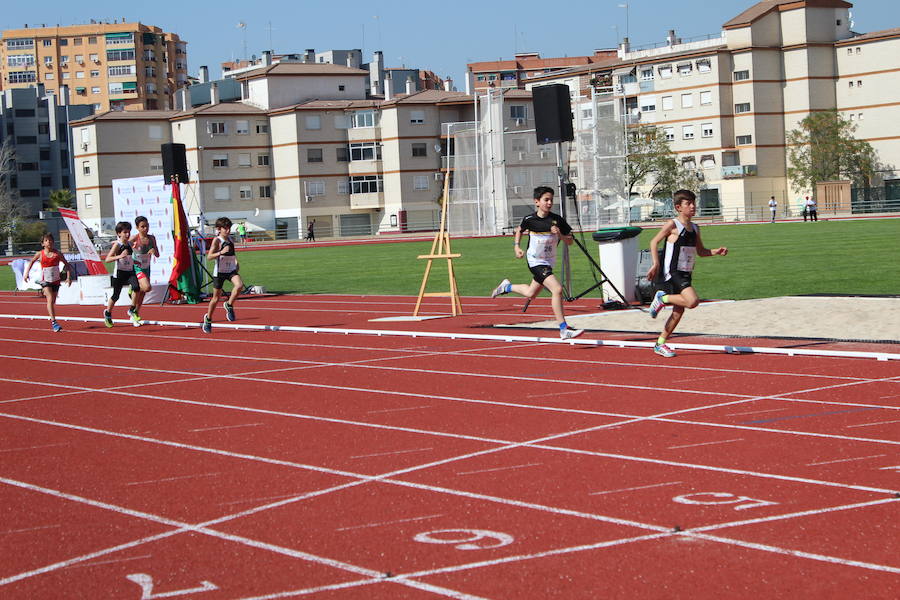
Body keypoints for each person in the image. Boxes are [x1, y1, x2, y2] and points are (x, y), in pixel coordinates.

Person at [490, 186, 583, 340]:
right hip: (535, 261)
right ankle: (563, 328)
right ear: (537, 202)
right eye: (546, 200)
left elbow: (570, 242)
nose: (549, 203)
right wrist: (517, 247)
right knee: (557, 289)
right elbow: (519, 230)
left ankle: (506, 286)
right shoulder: (529, 220)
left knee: (530, 294)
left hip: (549, 262)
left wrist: (559, 234)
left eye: (551, 200)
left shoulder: (557, 220)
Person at [646, 189, 728, 358]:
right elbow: (653, 242)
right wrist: (656, 263)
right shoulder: (673, 225)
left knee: (679, 311)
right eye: (688, 204)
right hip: (673, 271)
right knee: (692, 301)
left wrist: (716, 251)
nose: (692, 206)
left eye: (693, 203)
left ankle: (659, 344)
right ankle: (662, 299)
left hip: (686, 272)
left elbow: (701, 251)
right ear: (678, 207)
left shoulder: (696, 228)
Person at [202, 216, 243, 333]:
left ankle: (229, 305)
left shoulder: (230, 240)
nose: (228, 231)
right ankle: (208, 319)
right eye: (226, 228)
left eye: (229, 228)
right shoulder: (217, 240)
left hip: (230, 270)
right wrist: (220, 252)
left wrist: (236, 262)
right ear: (219, 229)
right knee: (215, 298)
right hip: (219, 272)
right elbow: (209, 256)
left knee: (239, 285)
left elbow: (232, 254)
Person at [23, 233, 72, 332]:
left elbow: (67, 265)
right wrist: (26, 273)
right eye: (46, 240)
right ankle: (54, 322)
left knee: (53, 300)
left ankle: (53, 319)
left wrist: (69, 277)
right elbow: (31, 262)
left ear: (53, 242)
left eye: (50, 240)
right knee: (49, 299)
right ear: (43, 244)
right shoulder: (40, 254)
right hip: (45, 280)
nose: (49, 242)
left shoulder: (57, 254)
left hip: (56, 280)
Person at [103, 221, 141, 328]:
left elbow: (129, 257)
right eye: (125, 232)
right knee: (116, 296)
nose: (127, 234)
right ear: (119, 233)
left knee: (137, 288)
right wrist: (119, 256)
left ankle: (132, 310)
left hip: (130, 271)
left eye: (128, 232)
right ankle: (108, 313)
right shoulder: (117, 245)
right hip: (119, 273)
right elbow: (107, 259)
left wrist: (136, 262)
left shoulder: (129, 244)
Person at [129, 216, 159, 326]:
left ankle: (135, 314)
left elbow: (158, 254)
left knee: (142, 293)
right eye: (142, 227)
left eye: (147, 226)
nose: (145, 228)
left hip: (147, 268)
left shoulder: (151, 238)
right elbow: (123, 247)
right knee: (147, 287)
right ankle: (134, 287)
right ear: (137, 228)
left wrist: (153, 250)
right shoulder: (133, 239)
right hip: (136, 267)